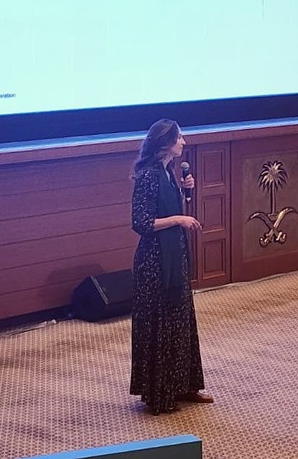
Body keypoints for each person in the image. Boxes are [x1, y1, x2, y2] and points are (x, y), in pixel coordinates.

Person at [129, 118, 212, 415]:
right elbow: (141, 223)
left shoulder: (168, 172)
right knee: (162, 326)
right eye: (179, 138)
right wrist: (179, 219)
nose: (184, 143)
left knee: (180, 322)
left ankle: (184, 385)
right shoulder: (149, 176)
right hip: (155, 264)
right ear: (165, 142)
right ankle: (160, 392)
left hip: (174, 259)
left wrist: (185, 190)